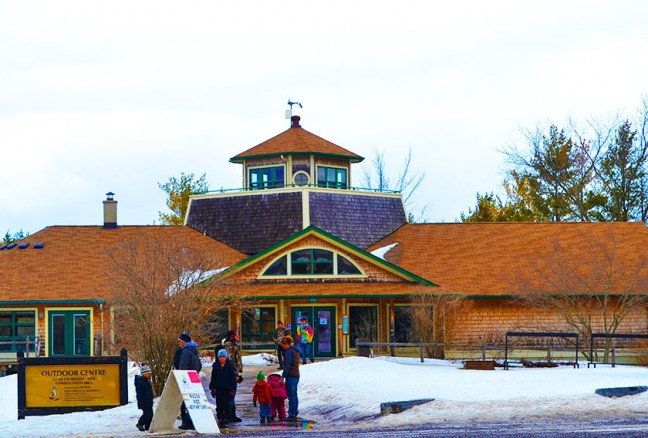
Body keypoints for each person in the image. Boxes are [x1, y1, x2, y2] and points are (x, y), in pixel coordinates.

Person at [176, 332, 202, 430]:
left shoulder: (185, 351)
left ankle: (187, 422)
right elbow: (199, 365)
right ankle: (193, 421)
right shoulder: (194, 350)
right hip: (194, 378)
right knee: (192, 401)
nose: (179, 343)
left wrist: (181, 377)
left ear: (183, 342)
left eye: (180, 341)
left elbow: (183, 367)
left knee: (185, 402)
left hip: (186, 380)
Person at [209, 349, 237, 429]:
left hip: (227, 389)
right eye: (220, 357)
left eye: (223, 357)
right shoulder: (215, 366)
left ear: (226, 357)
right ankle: (220, 419)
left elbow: (233, 379)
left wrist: (232, 389)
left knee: (227, 405)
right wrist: (212, 387)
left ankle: (225, 420)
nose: (221, 358)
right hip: (218, 389)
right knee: (219, 405)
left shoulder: (230, 366)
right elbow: (213, 377)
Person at [221, 330, 243, 422]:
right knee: (231, 393)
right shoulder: (231, 346)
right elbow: (232, 360)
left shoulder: (230, 345)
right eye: (236, 334)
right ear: (232, 336)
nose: (238, 336)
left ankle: (229, 413)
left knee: (230, 393)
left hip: (229, 372)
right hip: (231, 373)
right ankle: (230, 414)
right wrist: (235, 373)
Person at [280, 335, 300, 420]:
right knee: (294, 394)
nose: (283, 347)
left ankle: (292, 413)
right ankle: (294, 411)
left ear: (286, 344)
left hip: (291, 375)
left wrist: (283, 376)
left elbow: (287, 366)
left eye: (283, 345)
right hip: (296, 375)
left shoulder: (288, 352)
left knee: (291, 395)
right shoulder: (295, 351)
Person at [134, 364, 153, 432]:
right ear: (144, 373)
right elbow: (140, 393)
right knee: (147, 413)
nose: (148, 375)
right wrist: (142, 401)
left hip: (148, 400)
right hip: (144, 401)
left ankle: (148, 426)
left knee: (150, 414)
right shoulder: (141, 381)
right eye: (147, 373)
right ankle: (140, 423)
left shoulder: (145, 380)